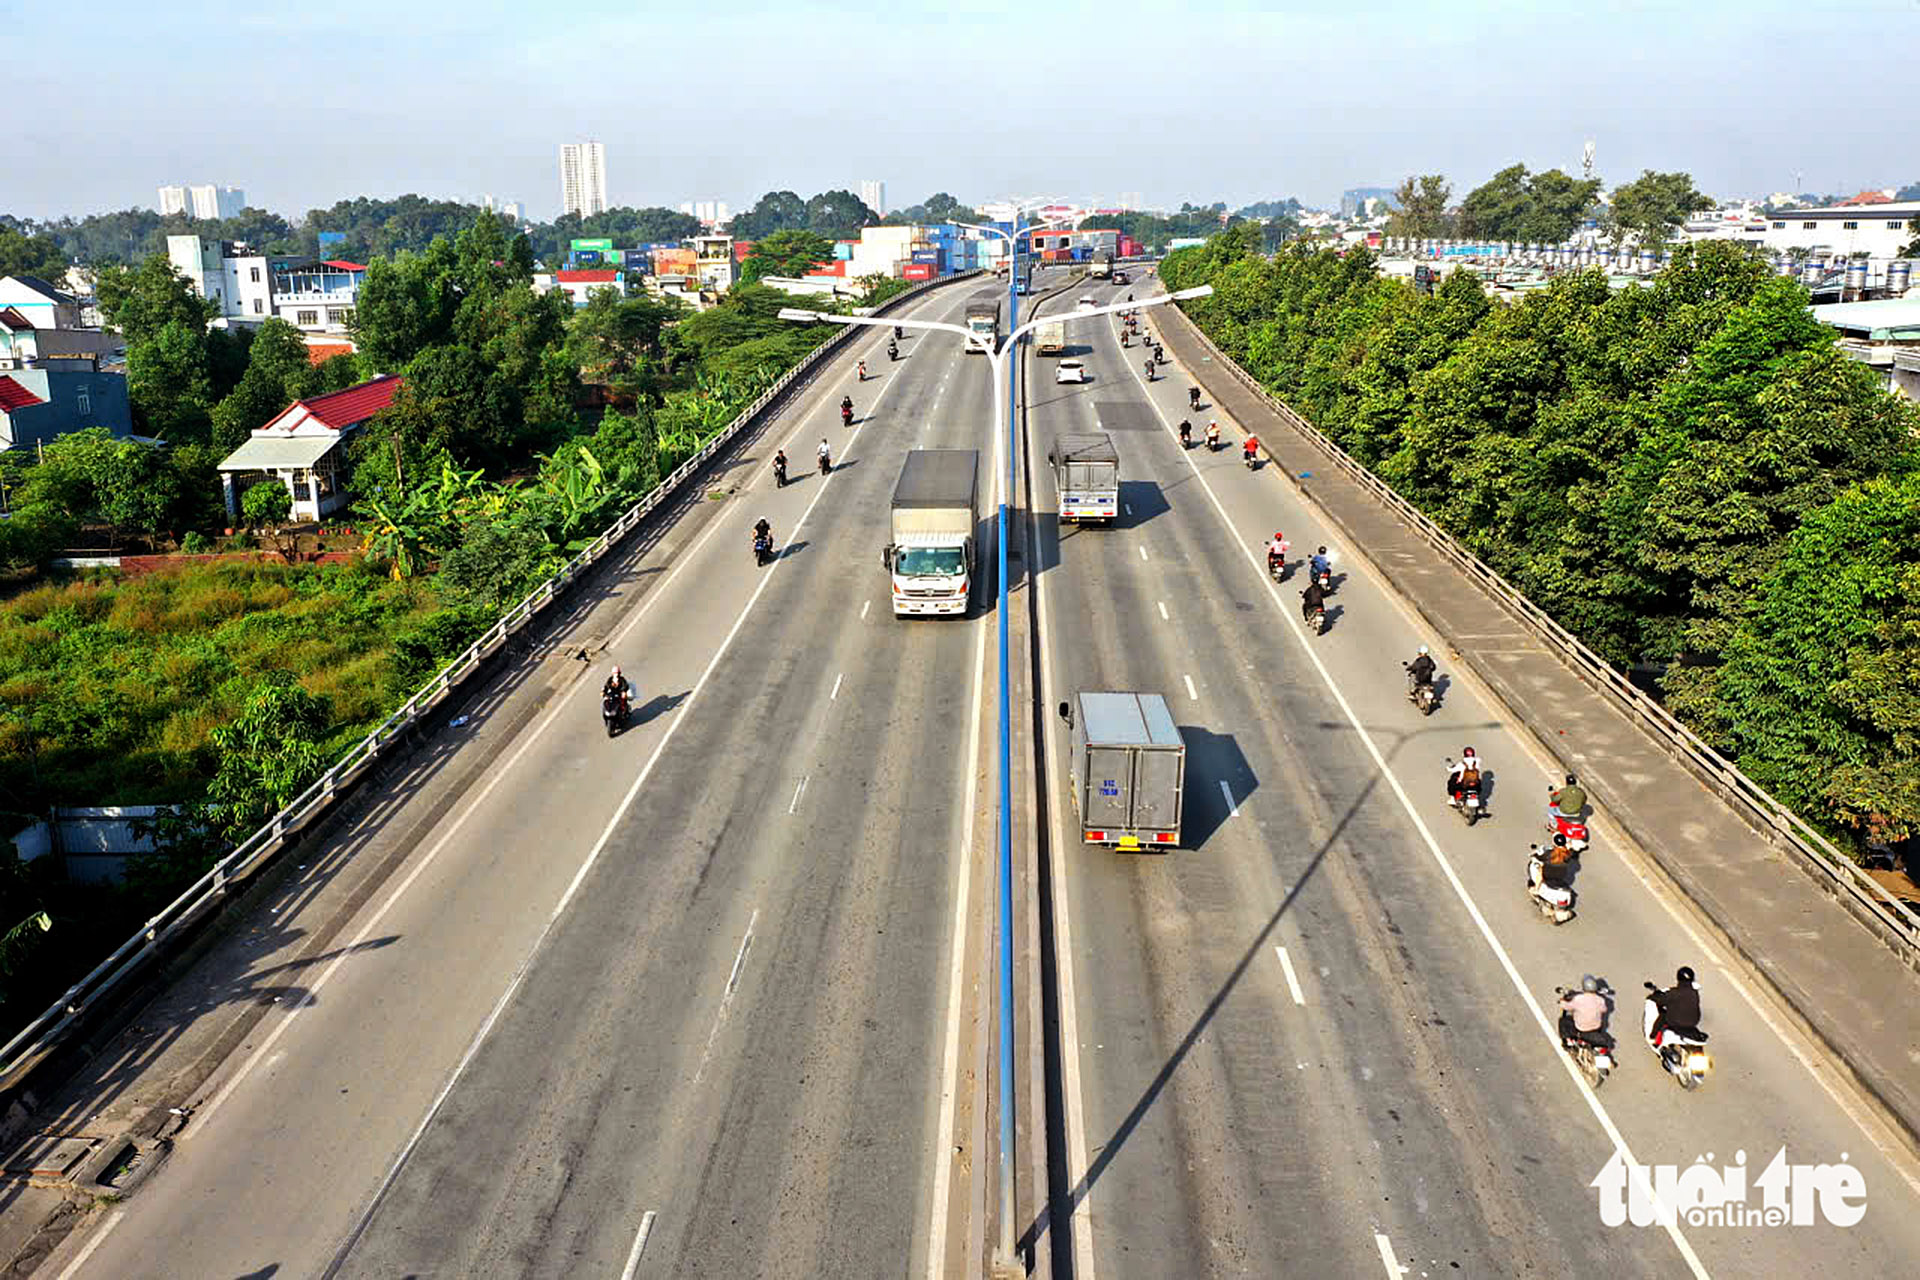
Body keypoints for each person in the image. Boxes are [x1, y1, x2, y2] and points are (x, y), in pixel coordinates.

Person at [1645, 966, 1703, 1046]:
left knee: (1663, 1016)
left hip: (1676, 1022)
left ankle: (1652, 1037)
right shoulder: (1694, 993)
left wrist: (1651, 997)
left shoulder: (1674, 993)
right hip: (1693, 1022)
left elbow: (1662, 1000)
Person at [1558, 975, 1611, 1048]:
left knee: (1563, 1021)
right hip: (1596, 1028)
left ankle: (1568, 1042)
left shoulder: (1579, 999)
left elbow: (1567, 1007)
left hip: (1581, 1028)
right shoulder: (1600, 1000)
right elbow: (1604, 1009)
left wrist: (1562, 1002)